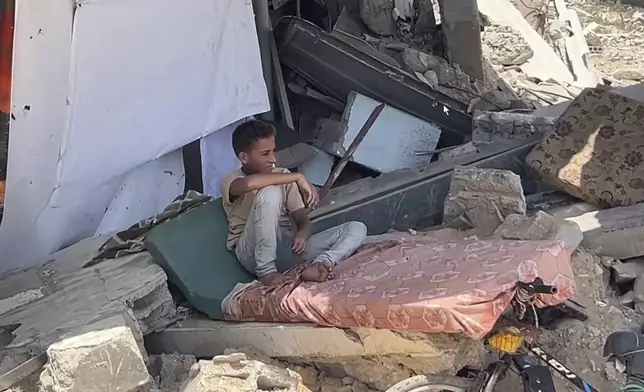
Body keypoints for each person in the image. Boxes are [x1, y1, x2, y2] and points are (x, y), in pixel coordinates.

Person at [220, 120, 367, 286]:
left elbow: (303, 221)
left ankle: (320, 264)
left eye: (273, 151)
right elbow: (248, 184)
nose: (273, 159)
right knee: (271, 191)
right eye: (265, 154)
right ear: (244, 157)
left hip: (285, 247)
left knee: (356, 228)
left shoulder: (282, 175)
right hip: (251, 252)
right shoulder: (231, 180)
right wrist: (297, 177)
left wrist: (302, 235)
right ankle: (266, 271)